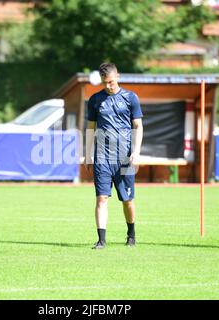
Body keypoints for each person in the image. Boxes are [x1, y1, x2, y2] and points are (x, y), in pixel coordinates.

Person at [85, 62, 143, 249]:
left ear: (117, 77)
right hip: (102, 158)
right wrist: (87, 155)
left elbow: (138, 126)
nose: (108, 86)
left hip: (125, 158)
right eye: (104, 83)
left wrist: (136, 152)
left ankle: (131, 234)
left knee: (127, 201)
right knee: (101, 198)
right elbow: (90, 128)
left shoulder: (130, 98)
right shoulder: (95, 100)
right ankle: (101, 240)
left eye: (110, 82)